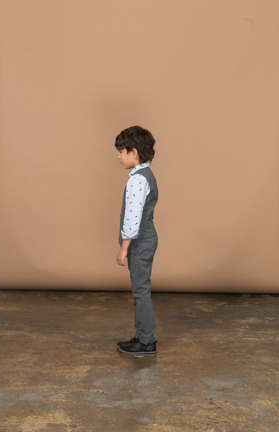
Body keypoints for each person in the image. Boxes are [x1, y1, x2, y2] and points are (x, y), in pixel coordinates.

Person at [115, 125, 159, 355]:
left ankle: (146, 342)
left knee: (140, 291)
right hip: (146, 239)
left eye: (122, 151)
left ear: (134, 152)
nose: (119, 157)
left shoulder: (137, 180)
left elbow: (133, 216)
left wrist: (124, 248)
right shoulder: (144, 175)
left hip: (140, 242)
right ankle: (142, 335)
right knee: (140, 289)